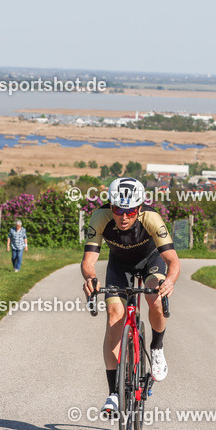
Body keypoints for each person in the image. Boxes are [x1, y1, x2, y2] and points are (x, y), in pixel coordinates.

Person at [81, 177, 179, 417]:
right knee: (114, 316)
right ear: (110, 206)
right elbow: (88, 261)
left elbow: (173, 260)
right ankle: (114, 393)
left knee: (154, 299)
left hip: (150, 261)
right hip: (119, 265)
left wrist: (170, 281)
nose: (124, 217)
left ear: (139, 208)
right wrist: (91, 278)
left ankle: (156, 347)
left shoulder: (152, 218)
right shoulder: (100, 217)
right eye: (118, 210)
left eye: (130, 211)